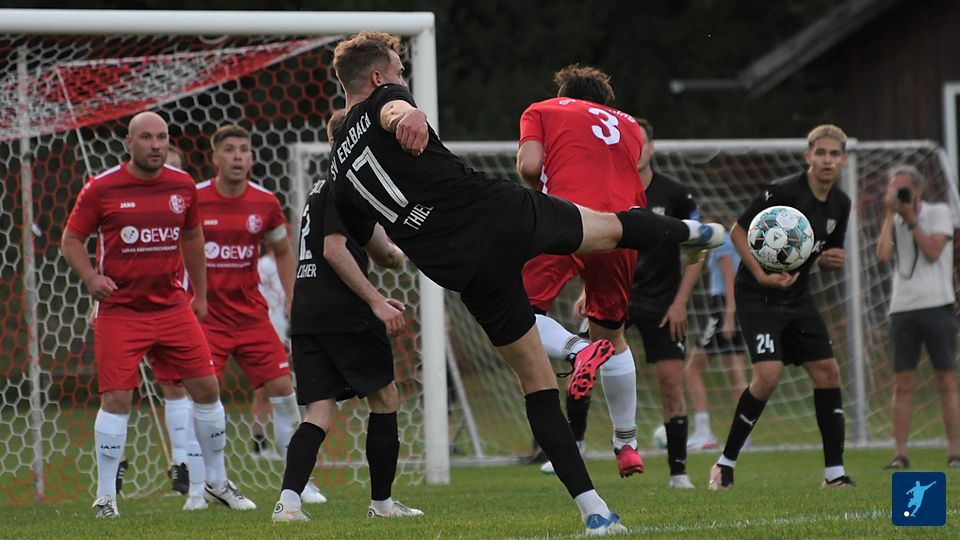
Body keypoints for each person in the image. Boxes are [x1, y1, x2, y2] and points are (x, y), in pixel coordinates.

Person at [329, 31, 724, 535]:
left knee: (536, 385)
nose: (403, 79)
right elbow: (395, 110)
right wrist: (409, 114)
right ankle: (696, 234)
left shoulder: (337, 176)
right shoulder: (386, 99)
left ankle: (595, 512)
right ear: (377, 77)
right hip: (494, 214)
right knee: (609, 229)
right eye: (399, 71)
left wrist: (405, 245)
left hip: (460, 267)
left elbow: (380, 253)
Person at [61, 111, 255, 517]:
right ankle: (106, 497)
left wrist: (199, 293)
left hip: (172, 308)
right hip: (121, 311)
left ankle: (217, 482)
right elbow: (71, 239)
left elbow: (193, 236)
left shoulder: (182, 185)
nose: (155, 145)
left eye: (162, 137)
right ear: (128, 143)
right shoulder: (102, 188)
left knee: (207, 390)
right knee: (116, 398)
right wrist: (91, 278)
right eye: (147, 138)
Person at [272, 108, 421, 522]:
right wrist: (375, 302)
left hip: (308, 310)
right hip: (344, 314)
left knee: (318, 413)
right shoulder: (348, 182)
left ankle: (288, 503)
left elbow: (382, 252)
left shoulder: (322, 187)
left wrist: (399, 255)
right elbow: (334, 250)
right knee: (384, 398)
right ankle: (382, 505)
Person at [515, 65, 648, 479]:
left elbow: (530, 165)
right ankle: (627, 444)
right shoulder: (630, 125)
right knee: (613, 335)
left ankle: (576, 349)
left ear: (565, 94)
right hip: (623, 225)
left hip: (566, 217)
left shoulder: (542, 109)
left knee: (518, 312)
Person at [708, 124, 855, 491]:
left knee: (828, 373)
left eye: (834, 154)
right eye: (820, 153)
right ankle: (724, 464)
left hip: (797, 297)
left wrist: (831, 260)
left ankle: (834, 475)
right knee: (768, 376)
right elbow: (737, 232)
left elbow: (826, 255)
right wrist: (761, 274)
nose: (827, 160)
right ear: (808, 156)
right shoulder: (783, 191)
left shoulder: (841, 204)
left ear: (843, 160)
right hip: (758, 295)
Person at [191, 124, 326, 503]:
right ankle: (206, 485)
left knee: (284, 391)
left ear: (251, 158)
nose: (238, 156)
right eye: (230, 149)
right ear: (215, 157)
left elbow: (283, 251)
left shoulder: (265, 202)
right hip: (207, 319)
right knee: (202, 396)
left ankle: (299, 482)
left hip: (252, 317)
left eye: (244, 150)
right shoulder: (195, 199)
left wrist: (292, 297)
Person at [625, 119, 704, 489]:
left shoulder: (675, 194)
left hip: (664, 304)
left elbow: (698, 248)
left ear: (652, 148)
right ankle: (575, 447)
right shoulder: (610, 189)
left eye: (642, 142)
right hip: (617, 298)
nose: (637, 149)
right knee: (583, 369)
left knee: (672, 384)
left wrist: (680, 302)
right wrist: (586, 291)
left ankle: (679, 473)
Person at [875, 165, 960, 469]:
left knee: (946, 380)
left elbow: (933, 252)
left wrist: (911, 219)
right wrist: (890, 215)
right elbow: (883, 255)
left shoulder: (938, 213)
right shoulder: (894, 219)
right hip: (902, 308)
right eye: (894, 189)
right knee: (902, 383)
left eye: (904, 189)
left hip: (938, 305)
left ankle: (955, 452)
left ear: (919, 189)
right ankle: (900, 454)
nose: (900, 194)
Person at [685, 214, 749, 451]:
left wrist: (729, 317)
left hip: (723, 308)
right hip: (735, 307)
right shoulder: (732, 239)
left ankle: (704, 433)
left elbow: (730, 279)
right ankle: (744, 435)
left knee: (692, 370)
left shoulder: (721, 241)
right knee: (736, 375)